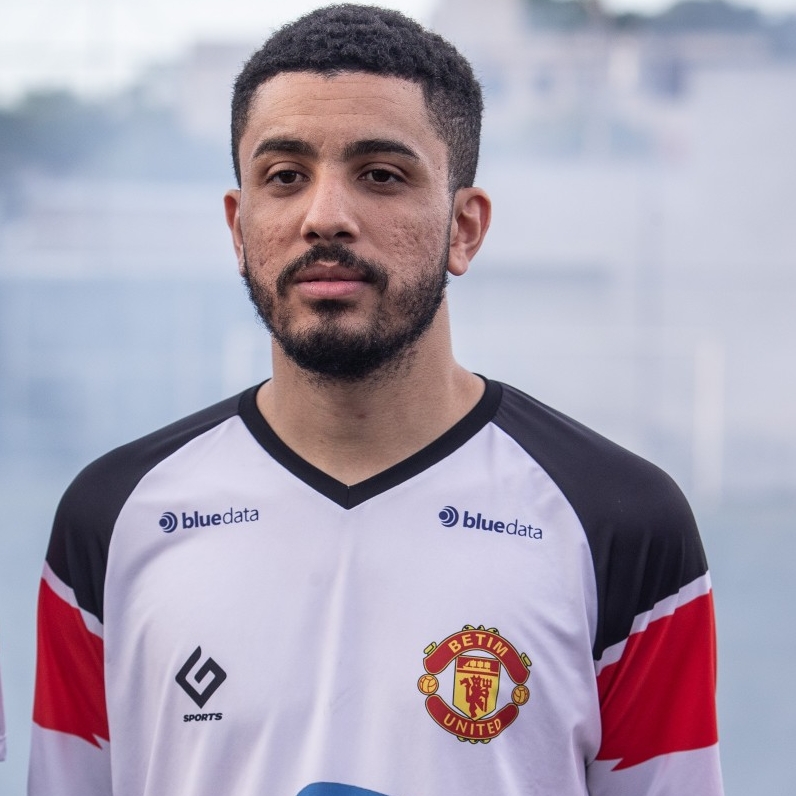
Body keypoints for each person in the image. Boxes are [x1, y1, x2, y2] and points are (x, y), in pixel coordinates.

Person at [28, 5, 723, 795]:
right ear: (239, 226)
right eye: (285, 177)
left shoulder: (621, 523)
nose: (325, 217)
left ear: (464, 228)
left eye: (381, 175)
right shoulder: (112, 518)